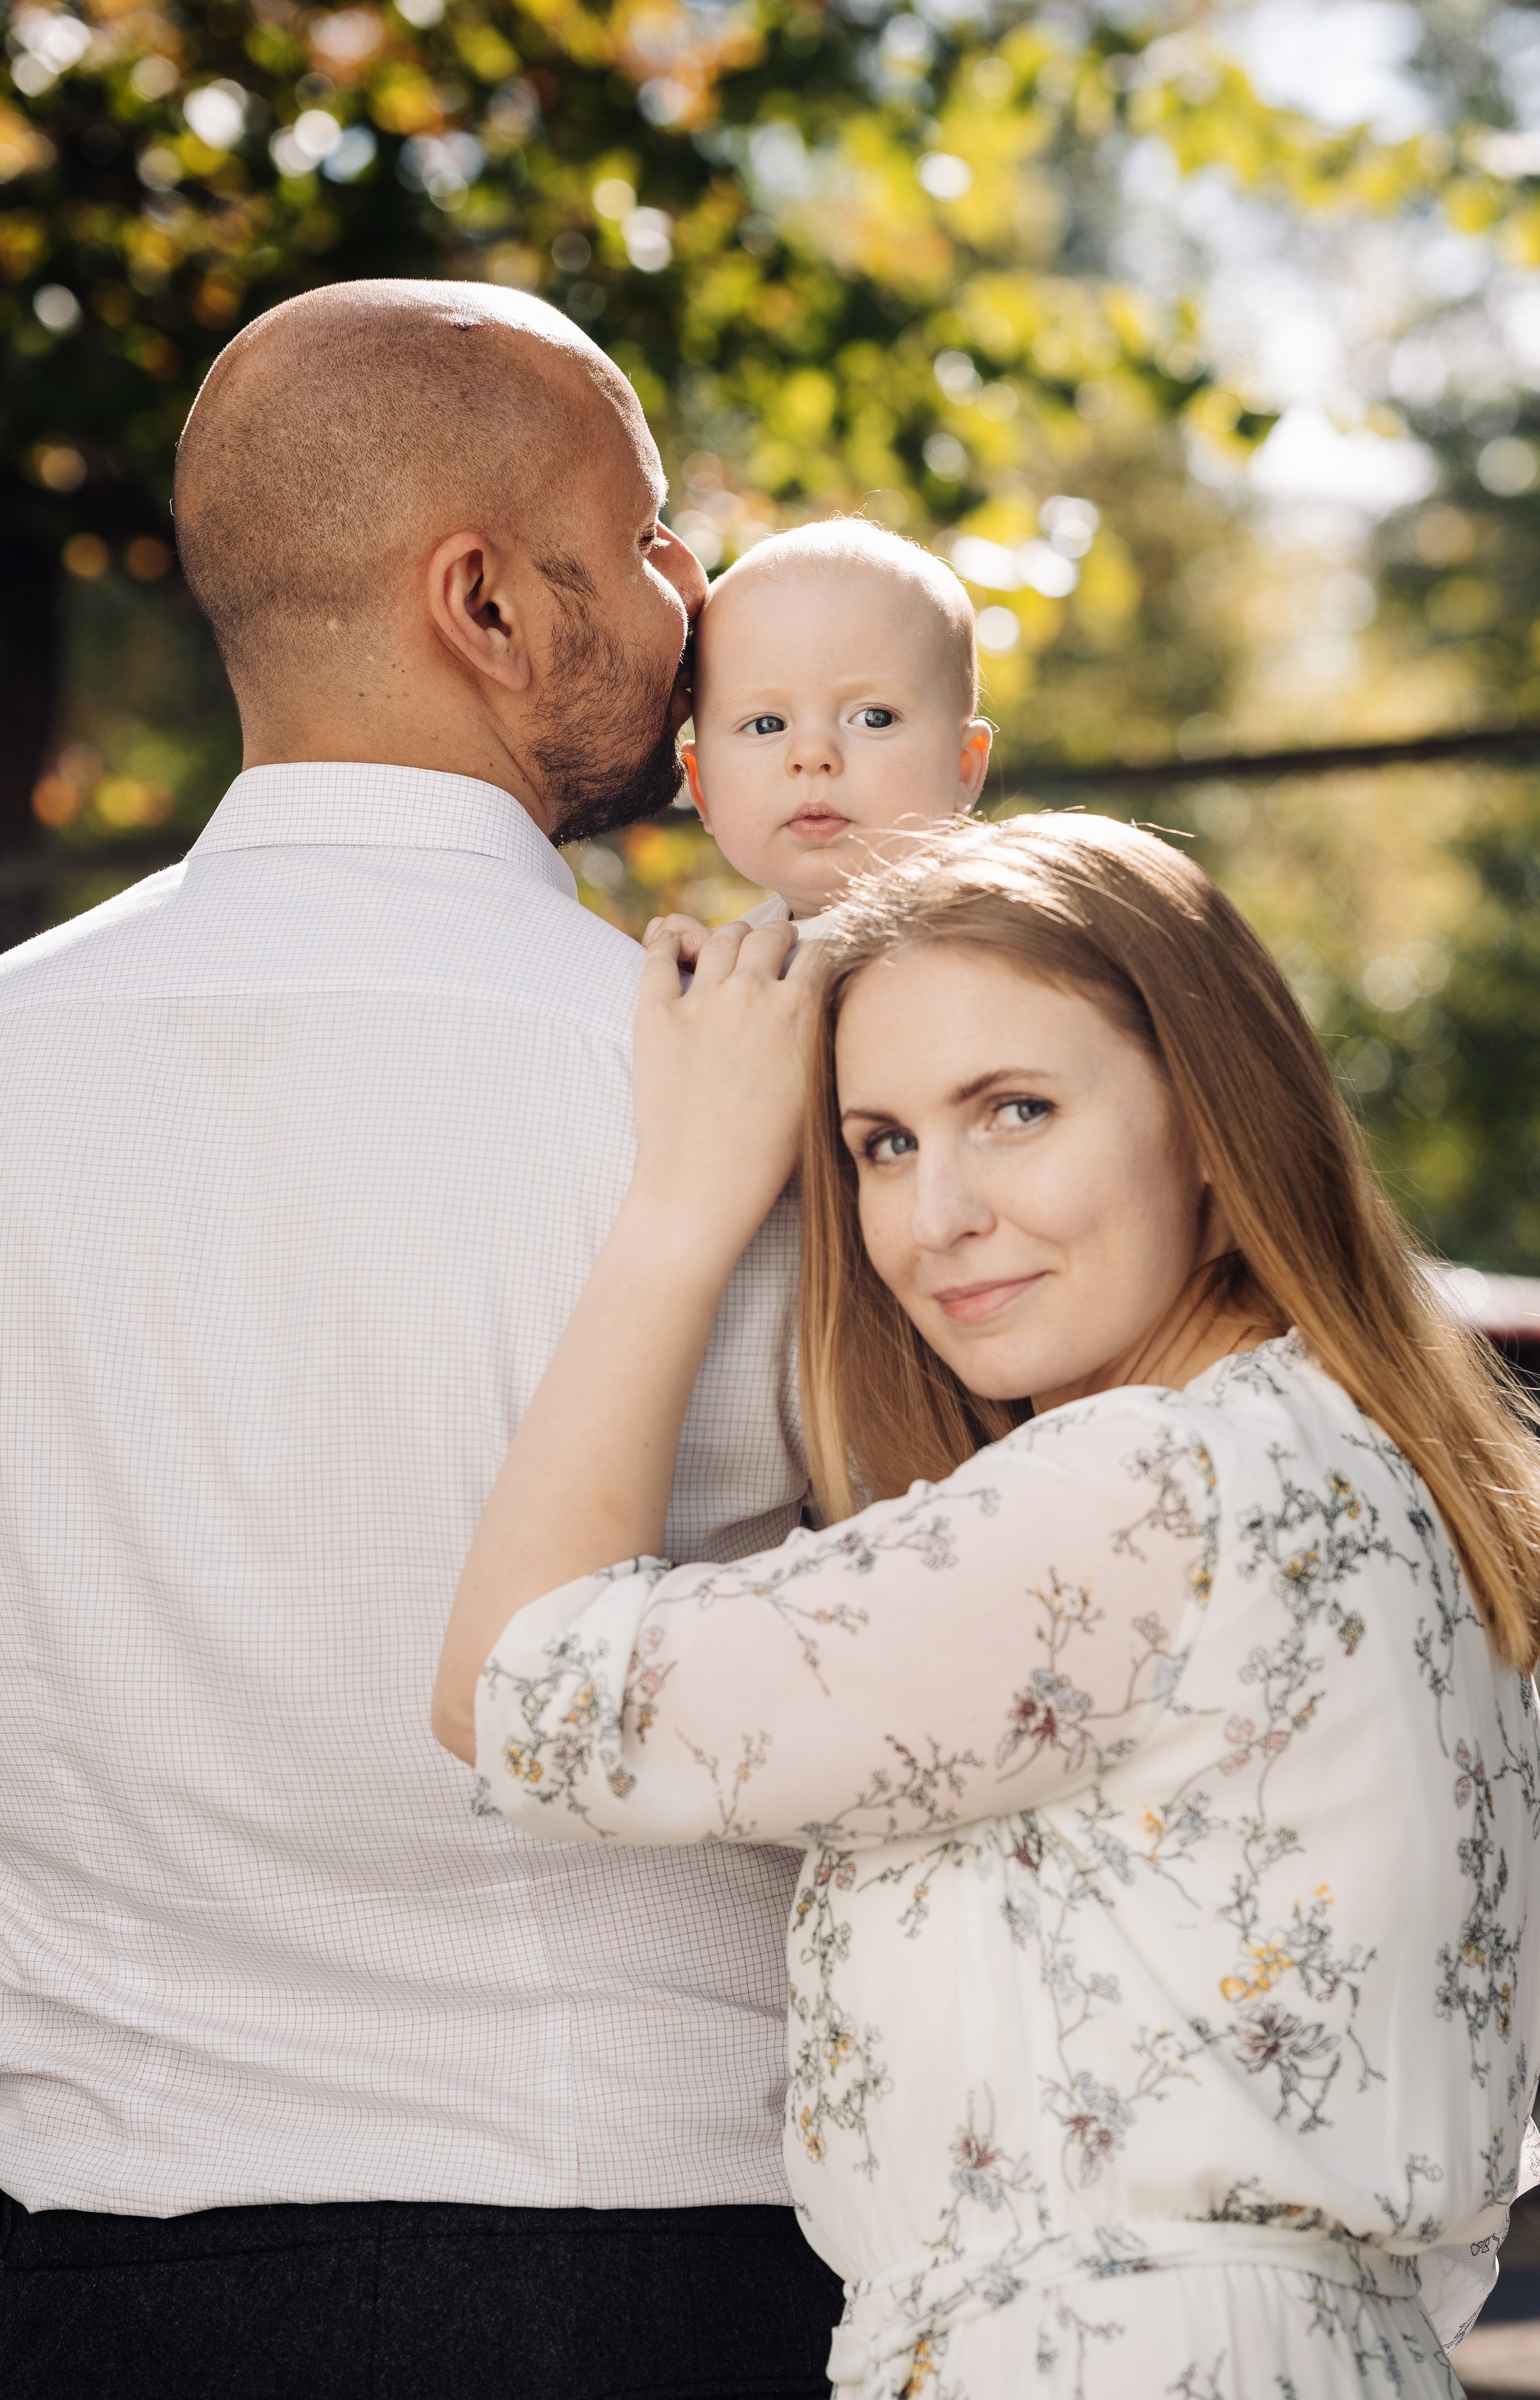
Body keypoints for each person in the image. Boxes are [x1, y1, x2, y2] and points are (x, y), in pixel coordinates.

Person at [435, 813, 1540, 2399]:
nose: (930, 1214)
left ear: (1211, 1123)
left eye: (1012, 1109)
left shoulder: (1141, 1492)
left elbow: (526, 1687)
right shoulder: (1368, 1468)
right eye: (880, 1141)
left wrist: (681, 1207)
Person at [0, 281, 842, 2396]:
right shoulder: (744, 1085)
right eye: (648, 534)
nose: (695, 590)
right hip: (659, 2258)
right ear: (478, 596)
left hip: (92, 2275)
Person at [649, 520, 991, 949]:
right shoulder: (739, 954)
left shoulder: (989, 940)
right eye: (766, 724)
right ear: (702, 790)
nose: (812, 754)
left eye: (874, 717)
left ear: (964, 766)